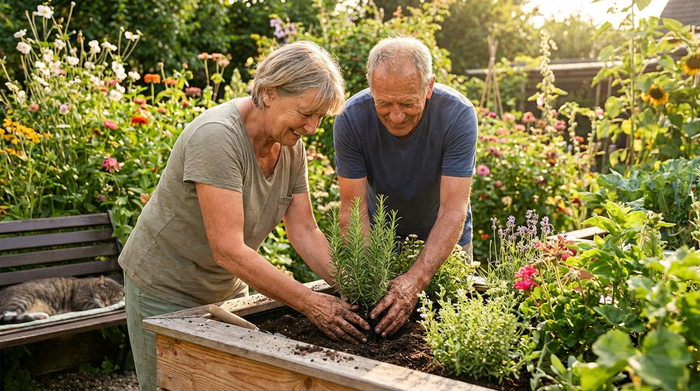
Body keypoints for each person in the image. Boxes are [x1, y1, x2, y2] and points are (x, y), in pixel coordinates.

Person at [119, 41, 370, 391]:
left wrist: (355, 287)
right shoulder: (218, 137)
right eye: (306, 113)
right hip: (166, 286)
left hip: (225, 286)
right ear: (269, 93)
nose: (312, 128)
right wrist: (310, 302)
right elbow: (228, 249)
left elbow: (305, 230)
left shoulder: (289, 146)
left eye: (319, 118)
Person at [333, 36, 478, 339]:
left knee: (454, 332)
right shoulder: (351, 118)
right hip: (381, 245)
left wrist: (415, 280)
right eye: (383, 102)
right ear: (371, 89)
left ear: (429, 87)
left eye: (408, 103)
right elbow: (352, 208)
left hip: (445, 244)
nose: (396, 116)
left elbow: (454, 209)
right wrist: (369, 276)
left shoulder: (457, 115)